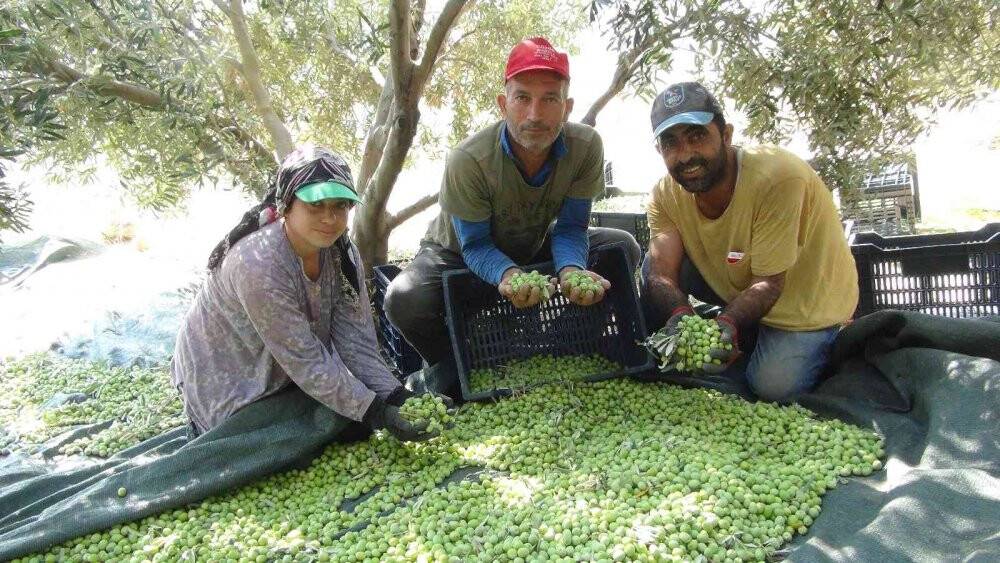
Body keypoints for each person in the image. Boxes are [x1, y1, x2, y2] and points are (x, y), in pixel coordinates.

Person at [383, 37, 641, 389]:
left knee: (622, 247)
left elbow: (571, 227)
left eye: (549, 98)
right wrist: (508, 275)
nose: (535, 114)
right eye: (522, 98)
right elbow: (474, 245)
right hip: (456, 252)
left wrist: (570, 269)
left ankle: (565, 349)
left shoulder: (585, 147)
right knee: (404, 299)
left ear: (567, 107)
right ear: (504, 104)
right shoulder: (469, 160)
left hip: (531, 242)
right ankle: (458, 372)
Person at [171, 146, 441, 439]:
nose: (329, 218)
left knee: (345, 424)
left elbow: (357, 342)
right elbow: (306, 360)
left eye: (340, 206)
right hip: (229, 381)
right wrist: (377, 413)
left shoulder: (341, 253)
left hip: (289, 372)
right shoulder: (257, 263)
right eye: (315, 206)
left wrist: (395, 396)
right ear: (287, 205)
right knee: (285, 445)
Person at [640, 81, 858, 402]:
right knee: (651, 267)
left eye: (697, 136)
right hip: (739, 283)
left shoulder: (778, 179)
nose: (686, 155)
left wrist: (728, 323)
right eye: (671, 143)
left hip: (804, 302)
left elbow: (769, 284)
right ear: (660, 150)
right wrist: (681, 318)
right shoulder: (664, 195)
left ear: (726, 135)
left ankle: (824, 337)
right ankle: (745, 334)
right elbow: (661, 274)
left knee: (772, 388)